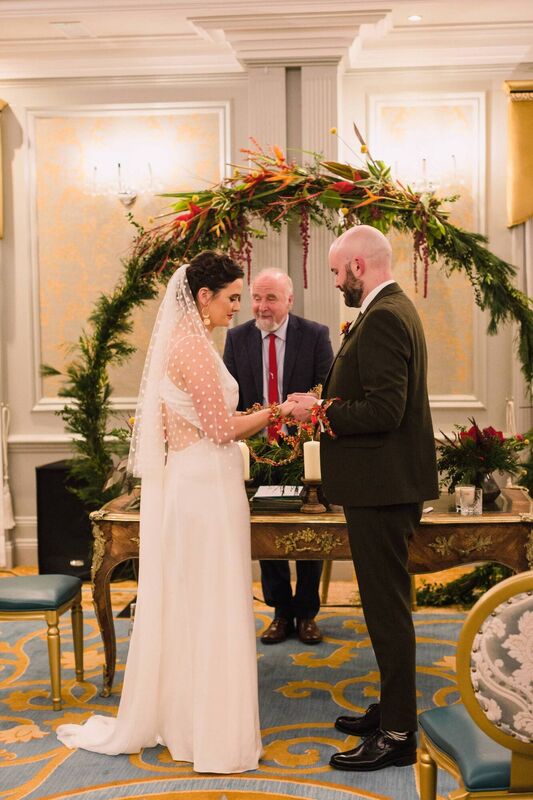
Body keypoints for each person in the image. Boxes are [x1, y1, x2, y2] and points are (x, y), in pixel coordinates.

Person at [57, 251, 295, 773]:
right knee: (211, 603)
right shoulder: (190, 349)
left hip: (203, 482)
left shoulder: (193, 345)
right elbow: (220, 429)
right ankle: (208, 733)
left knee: (202, 601)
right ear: (204, 296)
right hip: (205, 488)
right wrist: (279, 410)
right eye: (233, 297)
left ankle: (193, 719)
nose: (239, 307)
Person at [289, 225, 439, 772]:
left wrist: (317, 414)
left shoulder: (384, 317)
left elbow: (384, 411)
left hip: (383, 488)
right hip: (382, 484)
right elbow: (372, 397)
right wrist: (325, 399)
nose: (335, 282)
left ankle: (398, 733)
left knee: (387, 609)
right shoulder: (390, 311)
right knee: (383, 607)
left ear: (358, 265)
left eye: (335, 272)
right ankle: (392, 708)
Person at [223, 268, 333, 645]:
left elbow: (328, 389)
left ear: (289, 300)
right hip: (257, 451)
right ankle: (280, 611)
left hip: (306, 451)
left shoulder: (315, 335)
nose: (261, 306)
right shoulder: (237, 339)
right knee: (266, 533)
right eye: (256, 297)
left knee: (310, 532)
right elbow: (231, 399)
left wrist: (310, 409)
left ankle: (306, 612)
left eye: (270, 298)